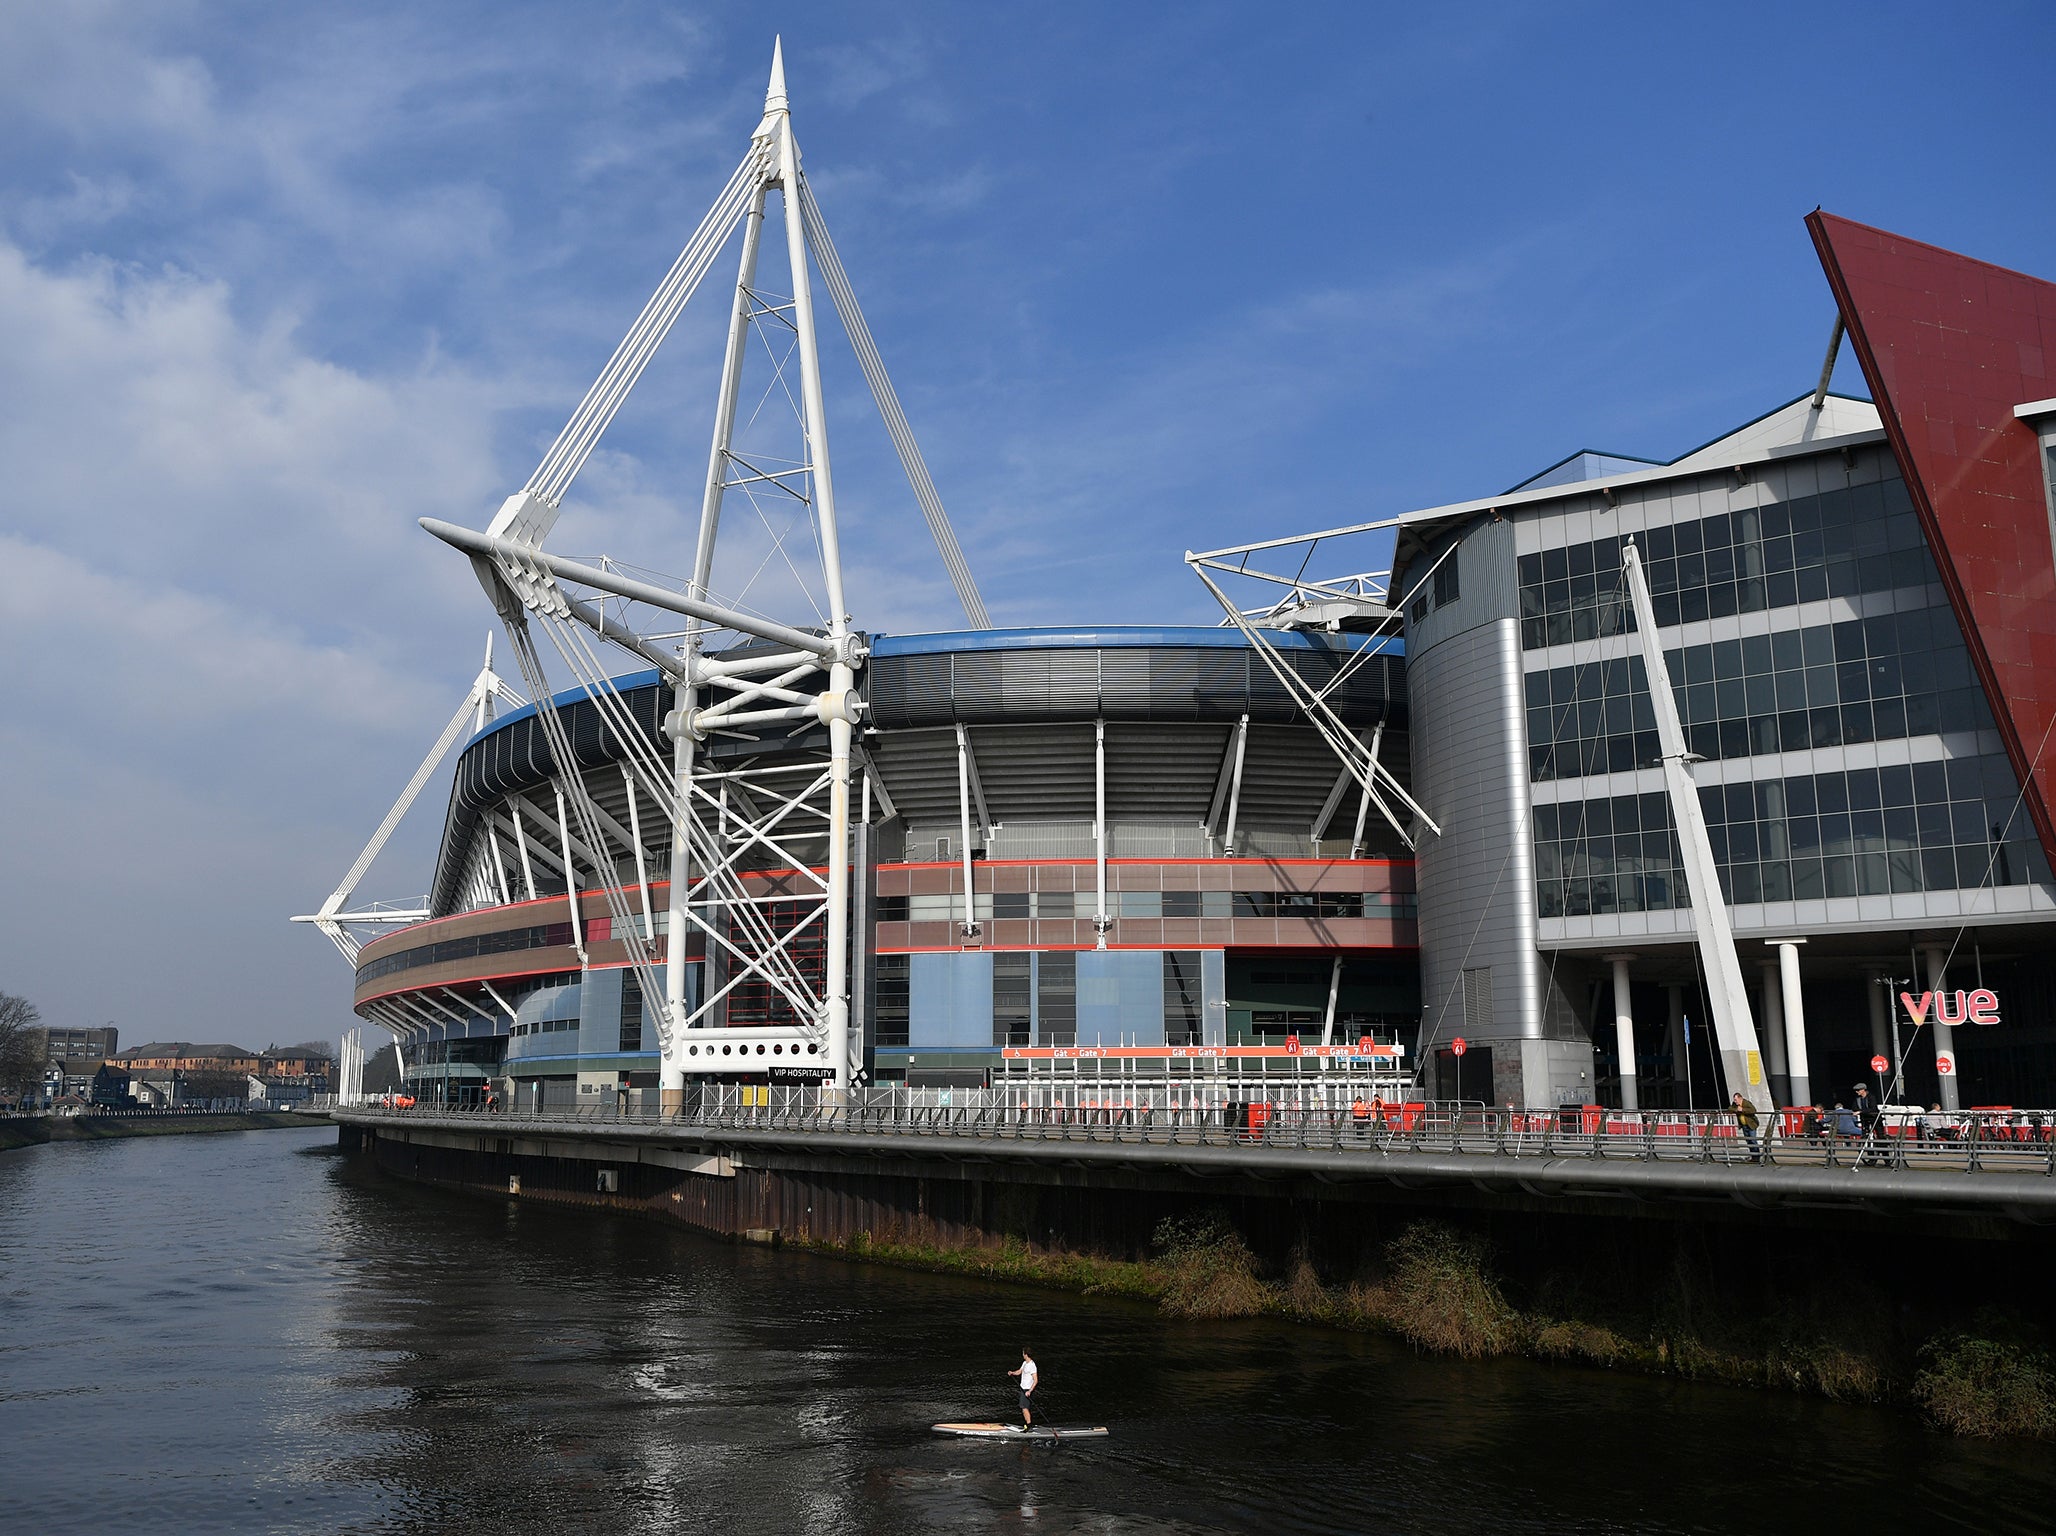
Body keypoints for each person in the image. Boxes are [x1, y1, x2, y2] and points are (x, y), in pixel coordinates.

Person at [1007, 1347, 1038, 1430]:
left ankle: (1029, 1425)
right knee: (1024, 1407)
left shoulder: (1032, 1365)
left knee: (1024, 1408)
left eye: (1023, 1353)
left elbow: (1035, 1380)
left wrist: (1030, 1391)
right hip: (1023, 1389)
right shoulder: (1025, 1363)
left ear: (1026, 1354)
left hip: (1027, 1390)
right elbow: (1020, 1371)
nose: (1022, 1354)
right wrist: (1012, 1373)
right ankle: (1028, 1424)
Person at [1731, 1092, 1761, 1162]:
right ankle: (1753, 1156)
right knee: (1749, 1141)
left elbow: (1753, 1110)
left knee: (1753, 1140)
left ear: (1740, 1098)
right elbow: (1730, 1108)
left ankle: (1757, 1156)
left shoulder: (1746, 1103)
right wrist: (1736, 1109)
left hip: (1751, 1124)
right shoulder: (1735, 1105)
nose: (1735, 1101)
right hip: (1744, 1125)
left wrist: (1742, 1110)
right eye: (1734, 1100)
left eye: (1736, 1100)